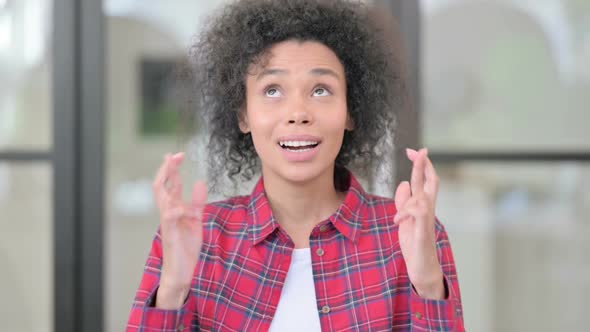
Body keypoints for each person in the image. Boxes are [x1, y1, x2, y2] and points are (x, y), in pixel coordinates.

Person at [127, 0, 464, 331]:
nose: (298, 112)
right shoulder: (202, 237)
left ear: (350, 111)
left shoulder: (409, 234)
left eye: (320, 90)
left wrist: (428, 284)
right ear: (243, 114)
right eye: (272, 90)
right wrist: (173, 289)